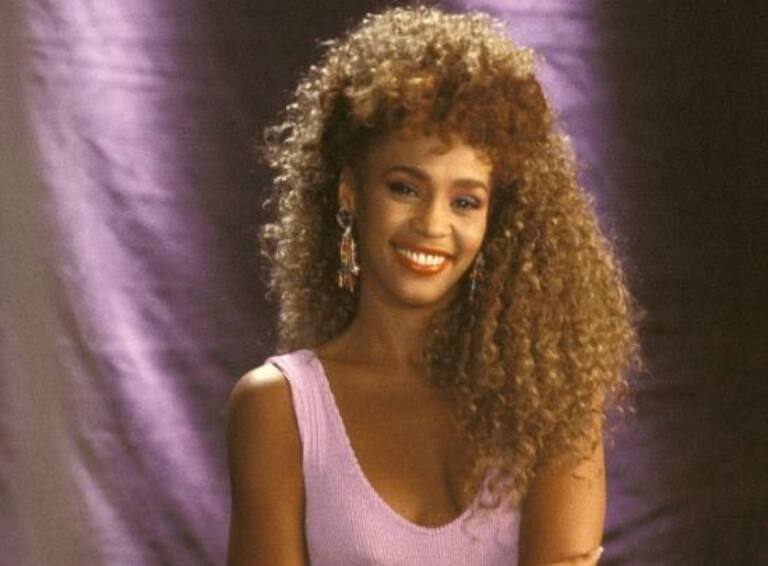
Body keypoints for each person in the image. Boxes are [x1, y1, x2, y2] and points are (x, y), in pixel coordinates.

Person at [226, 6, 643, 565]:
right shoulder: (279, 407)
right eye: (405, 188)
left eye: (465, 201)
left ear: (496, 219)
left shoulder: (554, 405)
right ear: (350, 190)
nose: (432, 225)